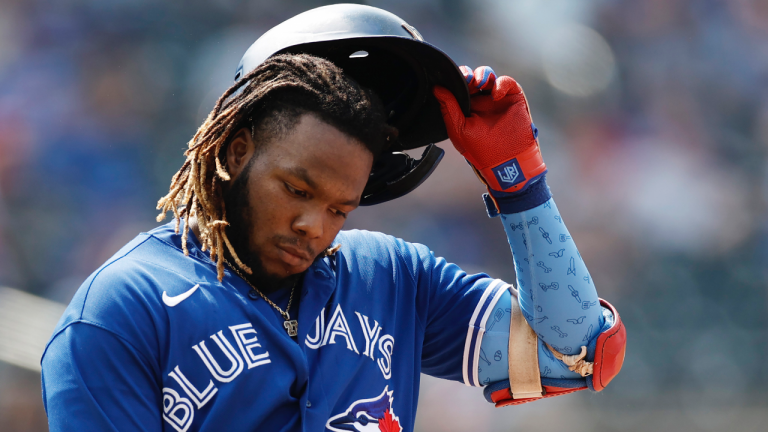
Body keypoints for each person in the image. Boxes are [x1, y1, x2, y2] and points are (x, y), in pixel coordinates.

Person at [41, 5, 625, 432]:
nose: (314, 226)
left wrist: (519, 185)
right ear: (237, 151)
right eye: (297, 189)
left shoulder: (392, 276)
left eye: (339, 208)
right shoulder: (120, 310)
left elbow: (576, 354)